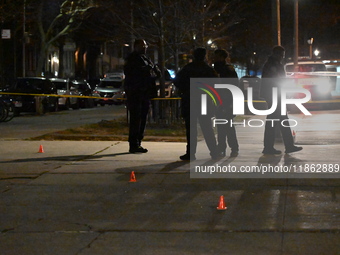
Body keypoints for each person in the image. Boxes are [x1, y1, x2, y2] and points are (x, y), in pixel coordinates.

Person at [175, 47, 219, 160]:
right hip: (204, 101)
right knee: (207, 127)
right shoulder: (209, 70)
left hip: (190, 100)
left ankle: (190, 153)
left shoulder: (187, 69)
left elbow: (178, 81)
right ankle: (214, 151)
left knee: (191, 129)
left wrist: (185, 91)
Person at [260, 45, 302, 154]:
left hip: (274, 96)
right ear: (277, 54)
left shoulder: (272, 64)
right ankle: (281, 146)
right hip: (275, 96)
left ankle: (282, 146)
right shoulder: (273, 65)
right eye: (281, 55)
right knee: (278, 121)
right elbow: (277, 81)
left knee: (277, 121)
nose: (282, 57)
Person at [124, 39, 160, 153]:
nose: (145, 48)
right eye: (142, 46)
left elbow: (150, 74)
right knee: (136, 119)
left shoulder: (146, 58)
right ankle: (133, 143)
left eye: (145, 46)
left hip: (145, 93)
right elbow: (131, 73)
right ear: (136, 46)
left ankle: (138, 141)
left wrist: (155, 72)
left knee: (143, 119)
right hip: (136, 93)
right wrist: (146, 70)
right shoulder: (132, 58)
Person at [213, 49, 239, 157]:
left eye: (216, 56)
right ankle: (231, 148)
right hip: (225, 101)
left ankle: (226, 148)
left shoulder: (224, 70)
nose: (214, 58)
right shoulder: (226, 69)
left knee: (225, 125)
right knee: (226, 125)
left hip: (225, 101)